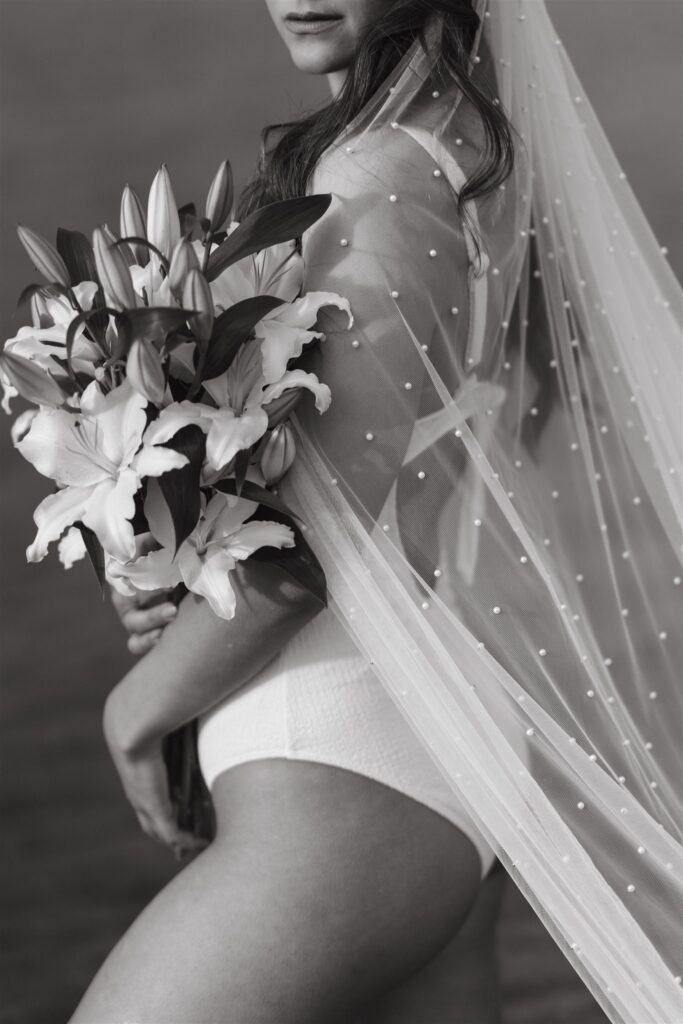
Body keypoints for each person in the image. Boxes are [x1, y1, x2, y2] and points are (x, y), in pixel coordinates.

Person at [70, 2, 683, 1022]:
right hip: (430, 745)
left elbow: (315, 549)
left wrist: (134, 713)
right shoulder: (479, 154)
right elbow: (486, 435)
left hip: (335, 769)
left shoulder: (370, 182)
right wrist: (185, 561)